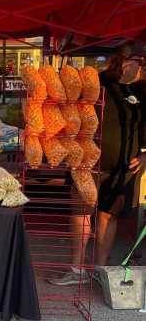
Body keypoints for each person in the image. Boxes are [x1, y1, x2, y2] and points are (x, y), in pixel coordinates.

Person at [50, 49, 145, 287]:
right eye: (139, 62)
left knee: (107, 214)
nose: (142, 68)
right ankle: (77, 268)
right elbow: (71, 110)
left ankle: (99, 269)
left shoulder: (144, 89)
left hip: (126, 166)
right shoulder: (99, 82)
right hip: (87, 160)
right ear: (123, 61)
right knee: (81, 210)